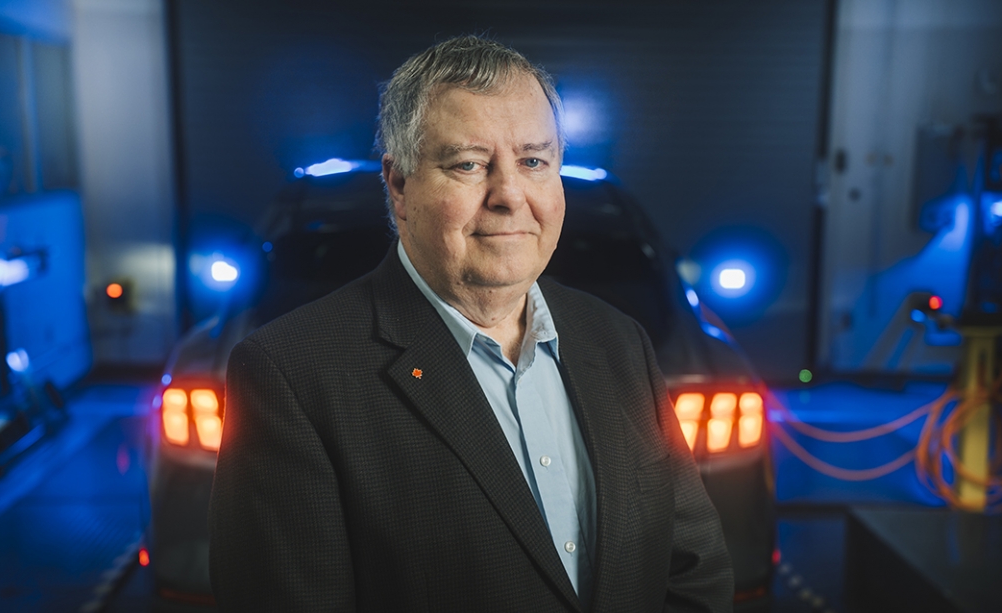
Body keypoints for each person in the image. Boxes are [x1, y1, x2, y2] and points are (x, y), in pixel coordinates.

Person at [209, 35, 733, 612]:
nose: (510, 194)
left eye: (534, 161)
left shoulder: (619, 341)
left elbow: (693, 568)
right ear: (400, 185)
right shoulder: (293, 376)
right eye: (469, 165)